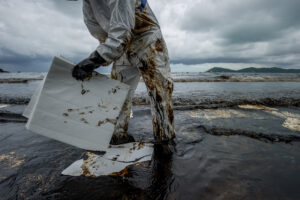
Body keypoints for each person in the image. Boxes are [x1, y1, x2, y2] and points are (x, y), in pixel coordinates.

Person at [72, 0, 175, 148]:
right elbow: (102, 34)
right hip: (122, 47)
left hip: (147, 38)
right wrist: (100, 57)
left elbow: (122, 30)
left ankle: (165, 139)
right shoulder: (88, 5)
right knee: (118, 91)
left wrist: (95, 59)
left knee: (160, 92)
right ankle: (118, 136)